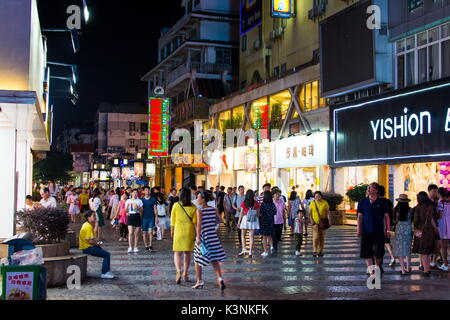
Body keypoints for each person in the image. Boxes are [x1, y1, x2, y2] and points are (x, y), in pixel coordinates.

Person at [192, 190, 226, 290]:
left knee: (197, 260)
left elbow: (199, 225)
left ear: (203, 199)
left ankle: (199, 281)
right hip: (213, 237)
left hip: (204, 237)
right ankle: (220, 278)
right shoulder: (213, 209)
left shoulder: (200, 210)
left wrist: (198, 237)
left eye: (198, 197)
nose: (197, 199)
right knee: (214, 259)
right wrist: (212, 222)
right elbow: (220, 220)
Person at [357, 183, 390, 276]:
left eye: (370, 188)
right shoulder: (363, 201)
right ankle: (372, 272)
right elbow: (360, 216)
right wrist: (358, 229)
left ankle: (377, 266)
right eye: (368, 188)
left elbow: (386, 217)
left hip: (379, 231)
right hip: (366, 231)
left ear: (376, 190)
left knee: (379, 252)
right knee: (367, 252)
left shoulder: (382, 202)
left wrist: (387, 230)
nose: (368, 189)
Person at [171, 188, 197, 284]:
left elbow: (172, 220)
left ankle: (178, 271)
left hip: (178, 231)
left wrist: (172, 231)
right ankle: (185, 273)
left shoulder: (176, 205)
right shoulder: (193, 207)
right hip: (189, 232)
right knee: (187, 253)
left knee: (177, 253)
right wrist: (197, 234)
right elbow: (195, 222)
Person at [79, 211, 115, 279]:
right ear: (88, 217)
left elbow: (91, 237)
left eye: (95, 215)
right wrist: (97, 244)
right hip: (87, 248)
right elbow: (90, 241)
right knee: (106, 254)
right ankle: (105, 272)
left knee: (103, 252)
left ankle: (106, 270)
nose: (95, 217)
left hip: (86, 246)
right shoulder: (88, 226)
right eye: (93, 216)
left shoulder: (86, 224)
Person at [412, 191, 439, 275]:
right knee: (428, 252)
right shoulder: (430, 207)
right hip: (430, 231)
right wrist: (436, 230)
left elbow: (415, 221)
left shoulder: (416, 208)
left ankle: (426, 270)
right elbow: (432, 221)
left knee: (424, 252)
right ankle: (427, 268)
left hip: (421, 232)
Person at [392, 194, 413, 275]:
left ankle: (403, 270)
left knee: (400, 250)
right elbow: (412, 220)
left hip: (399, 230)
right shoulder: (410, 210)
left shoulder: (396, 210)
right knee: (408, 249)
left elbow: (394, 221)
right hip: (408, 230)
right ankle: (408, 268)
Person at [237, 190, 260, 257]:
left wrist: (239, 222)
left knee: (243, 235)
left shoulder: (244, 203)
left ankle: (244, 249)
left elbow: (241, 213)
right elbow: (258, 213)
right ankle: (250, 251)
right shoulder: (256, 203)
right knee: (251, 236)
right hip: (253, 220)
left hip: (245, 219)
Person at [378, 186, 396, 267]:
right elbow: (393, 211)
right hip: (390, 223)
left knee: (386, 241)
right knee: (386, 240)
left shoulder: (377, 201)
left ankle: (392, 257)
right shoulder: (388, 201)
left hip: (381, 224)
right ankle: (391, 256)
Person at [126, 189, 144, 253]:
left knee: (136, 233)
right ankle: (130, 246)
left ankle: (136, 247)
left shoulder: (139, 201)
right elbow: (125, 210)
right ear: (131, 193)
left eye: (136, 192)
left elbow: (142, 210)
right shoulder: (128, 201)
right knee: (130, 232)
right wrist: (127, 210)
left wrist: (138, 207)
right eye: (134, 192)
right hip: (130, 216)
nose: (135, 194)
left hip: (137, 216)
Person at [259, 191, 276, 257]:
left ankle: (266, 251)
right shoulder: (272, 204)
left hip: (264, 222)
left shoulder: (263, 204)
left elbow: (261, 213)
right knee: (270, 235)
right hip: (271, 222)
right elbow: (275, 212)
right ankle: (271, 246)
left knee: (264, 238)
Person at [437, 188, 450, 271]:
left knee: (443, 246)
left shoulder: (440, 203)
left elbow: (440, 215)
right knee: (447, 246)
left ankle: (445, 264)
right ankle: (445, 264)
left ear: (439, 193)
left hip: (443, 225)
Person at [141, 187, 157, 252]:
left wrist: (156, 217)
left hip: (151, 217)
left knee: (150, 232)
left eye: (148, 190)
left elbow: (155, 208)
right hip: (144, 218)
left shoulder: (153, 199)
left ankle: (150, 245)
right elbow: (140, 209)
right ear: (144, 192)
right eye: (146, 190)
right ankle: (146, 246)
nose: (147, 191)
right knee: (144, 233)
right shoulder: (141, 200)